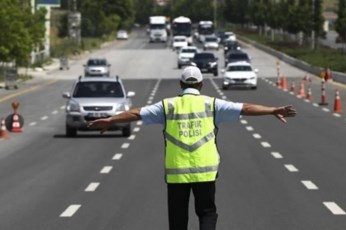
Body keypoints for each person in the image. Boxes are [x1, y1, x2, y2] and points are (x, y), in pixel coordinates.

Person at [87, 66, 296, 230]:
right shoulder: (212, 104)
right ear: (201, 84)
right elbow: (245, 108)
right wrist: (272, 110)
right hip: (205, 171)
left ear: (180, 84)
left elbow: (136, 113)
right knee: (206, 213)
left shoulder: (167, 106)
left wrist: (111, 120)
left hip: (177, 173)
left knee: (178, 219)